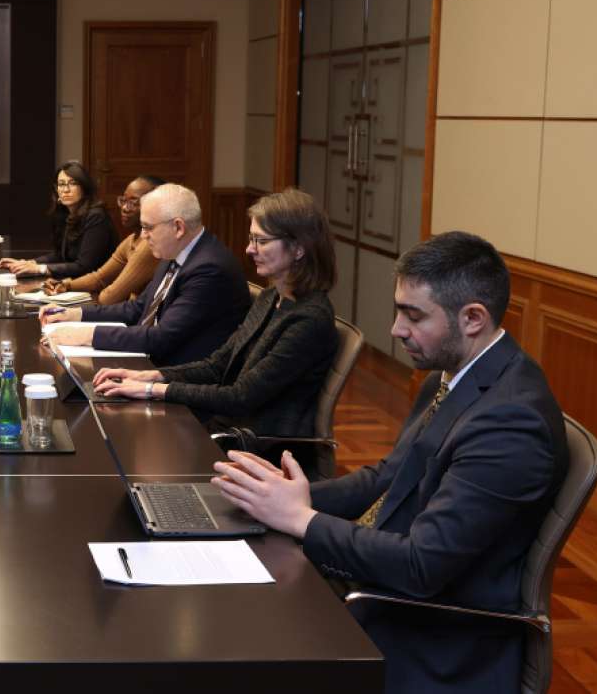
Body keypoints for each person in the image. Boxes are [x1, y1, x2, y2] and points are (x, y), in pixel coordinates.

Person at [210, 231, 567, 694]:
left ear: (473, 318)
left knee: (231, 646)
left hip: (429, 635)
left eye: (413, 316)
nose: (396, 329)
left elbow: (421, 565)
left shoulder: (511, 423)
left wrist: (302, 519)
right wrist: (281, 498)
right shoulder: (455, 375)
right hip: (377, 583)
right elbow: (388, 478)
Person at [93, 189, 337, 441]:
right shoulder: (270, 297)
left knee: (125, 438)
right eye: (251, 239)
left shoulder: (309, 319)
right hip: (227, 427)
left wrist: (152, 389)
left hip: (257, 447)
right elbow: (217, 365)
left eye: (261, 241)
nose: (249, 249)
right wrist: (152, 376)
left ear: (298, 249)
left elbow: (241, 396)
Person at [41, 183, 248, 366]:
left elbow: (160, 337)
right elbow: (138, 308)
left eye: (148, 227)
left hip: (178, 379)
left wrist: (87, 335)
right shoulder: (174, 251)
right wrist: (75, 314)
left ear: (178, 227)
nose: (143, 235)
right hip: (150, 362)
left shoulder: (209, 269)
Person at [43, 175, 162, 304]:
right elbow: (100, 278)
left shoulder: (149, 245)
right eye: (123, 200)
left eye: (133, 202)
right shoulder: (131, 239)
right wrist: (66, 285)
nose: (124, 208)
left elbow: (110, 297)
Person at [0, 161, 117, 280]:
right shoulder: (65, 214)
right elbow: (61, 255)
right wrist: (29, 263)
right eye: (61, 184)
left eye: (73, 183)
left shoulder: (96, 216)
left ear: (84, 187)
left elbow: (84, 266)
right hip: (76, 281)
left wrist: (39, 269)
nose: (66, 190)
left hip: (100, 285)